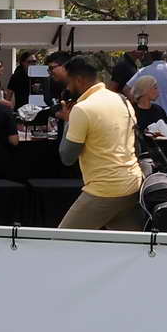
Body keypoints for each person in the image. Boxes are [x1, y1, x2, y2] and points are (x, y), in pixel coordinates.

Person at [56, 54, 142, 229]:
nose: (67, 87)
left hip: (104, 190)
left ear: (79, 80)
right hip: (133, 184)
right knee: (130, 243)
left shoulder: (82, 109)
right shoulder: (123, 100)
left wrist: (68, 120)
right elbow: (136, 147)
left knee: (63, 240)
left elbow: (67, 157)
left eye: (69, 82)